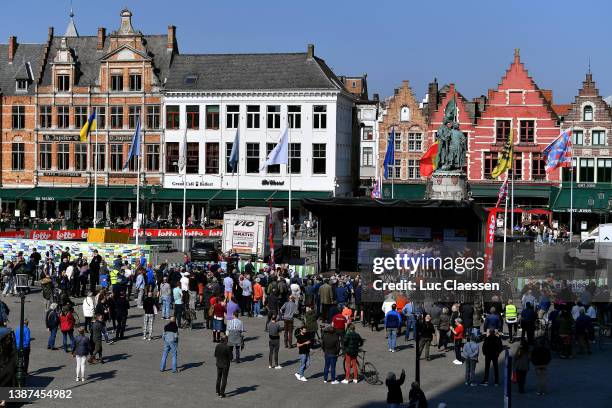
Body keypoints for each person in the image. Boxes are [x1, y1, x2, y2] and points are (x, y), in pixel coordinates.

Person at [214, 334, 232, 398]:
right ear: (226, 340)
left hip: (218, 364)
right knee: (224, 379)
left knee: (218, 377)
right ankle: (222, 393)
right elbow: (231, 358)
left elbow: (215, 355)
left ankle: (217, 391)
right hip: (225, 365)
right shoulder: (227, 347)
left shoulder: (217, 346)